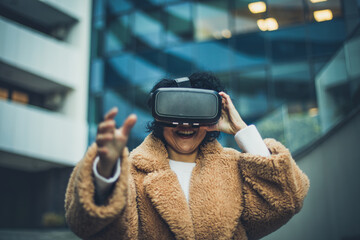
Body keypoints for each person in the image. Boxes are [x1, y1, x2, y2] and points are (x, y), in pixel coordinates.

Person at [65, 72, 309, 240]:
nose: (185, 123)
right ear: (158, 116)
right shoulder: (131, 172)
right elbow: (93, 227)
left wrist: (242, 130)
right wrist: (104, 174)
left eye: (197, 113)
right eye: (174, 111)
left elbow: (287, 201)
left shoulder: (234, 168)